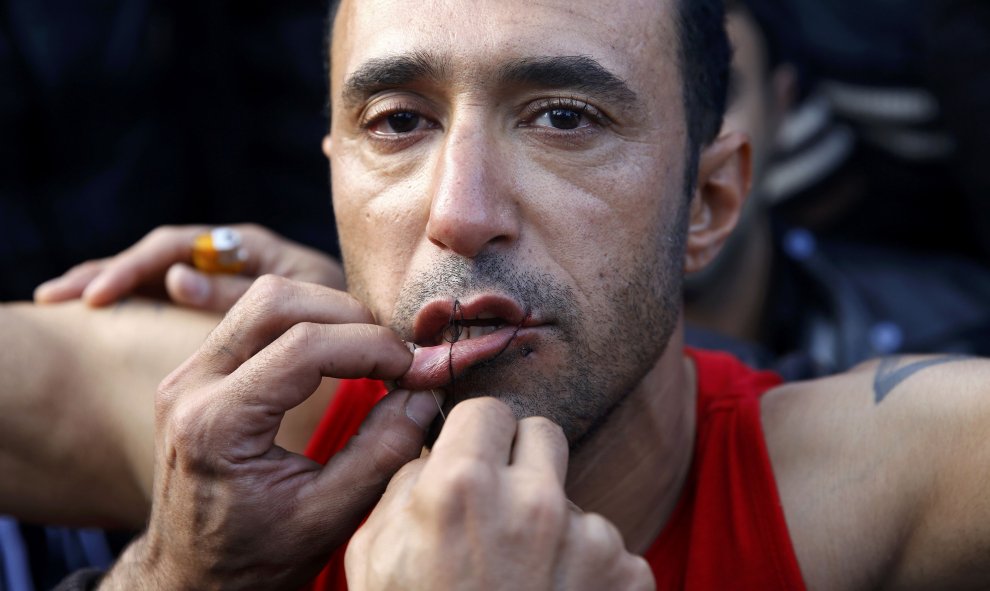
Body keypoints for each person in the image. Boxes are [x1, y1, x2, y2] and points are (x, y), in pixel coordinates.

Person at [9, 0, 990, 589]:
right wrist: (173, 574)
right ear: (333, 181)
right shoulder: (233, 428)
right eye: (398, 123)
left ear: (710, 198)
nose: (459, 212)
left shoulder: (882, 486)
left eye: (564, 117)